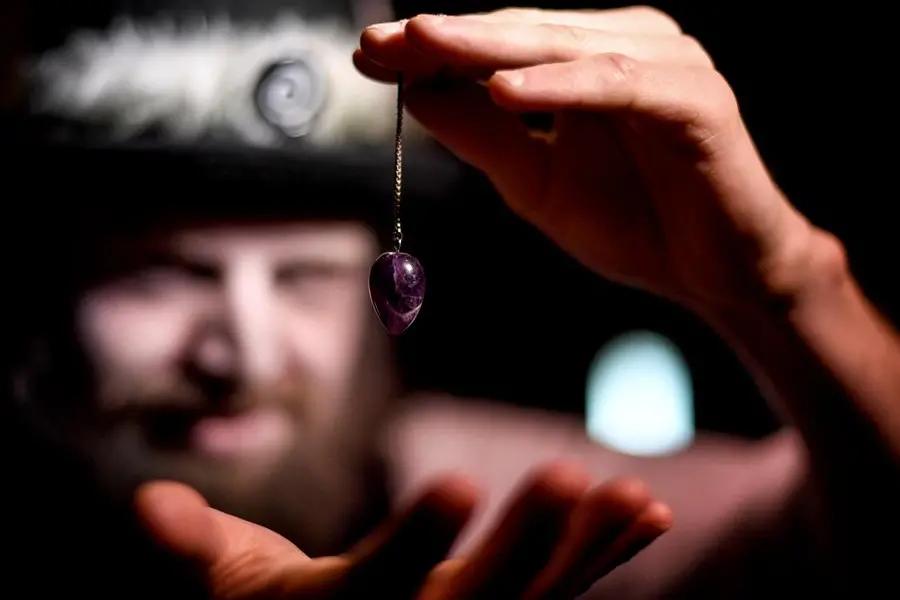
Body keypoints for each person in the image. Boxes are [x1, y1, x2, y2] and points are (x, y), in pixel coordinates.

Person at [2, 1, 896, 598]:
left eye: (307, 278)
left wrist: (788, 291)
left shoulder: (471, 487)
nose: (247, 355)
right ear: (51, 284)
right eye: (166, 273)